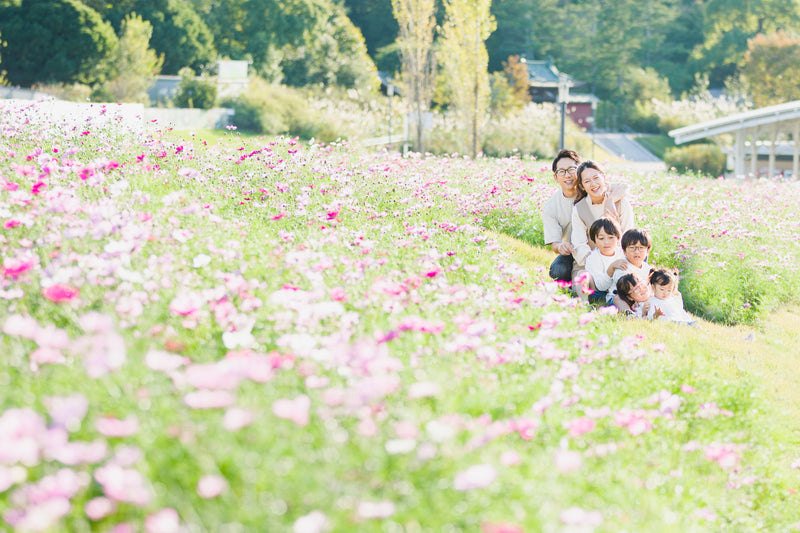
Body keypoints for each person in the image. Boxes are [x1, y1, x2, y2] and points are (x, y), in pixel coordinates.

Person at [543, 150, 627, 283]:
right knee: (559, 270)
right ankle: (575, 285)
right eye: (561, 172)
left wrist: (610, 201)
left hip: (607, 246)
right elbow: (554, 243)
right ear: (556, 177)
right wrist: (561, 247)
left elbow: (623, 186)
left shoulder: (593, 187)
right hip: (575, 249)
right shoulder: (552, 206)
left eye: (571, 169)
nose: (567, 175)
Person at [571, 161, 634, 270]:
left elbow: (628, 236)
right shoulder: (579, 209)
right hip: (591, 263)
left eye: (596, 178)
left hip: (620, 261)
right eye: (587, 181)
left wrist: (615, 260)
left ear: (603, 178)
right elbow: (579, 244)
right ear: (582, 186)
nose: (593, 184)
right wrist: (595, 262)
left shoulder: (621, 203)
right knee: (584, 284)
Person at [582, 217, 625, 305]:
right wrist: (611, 269)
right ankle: (584, 302)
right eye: (601, 238)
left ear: (618, 239)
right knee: (582, 274)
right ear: (594, 241)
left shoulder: (623, 253)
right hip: (599, 292)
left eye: (611, 237)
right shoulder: (592, 258)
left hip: (618, 291)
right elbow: (601, 286)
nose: (606, 242)